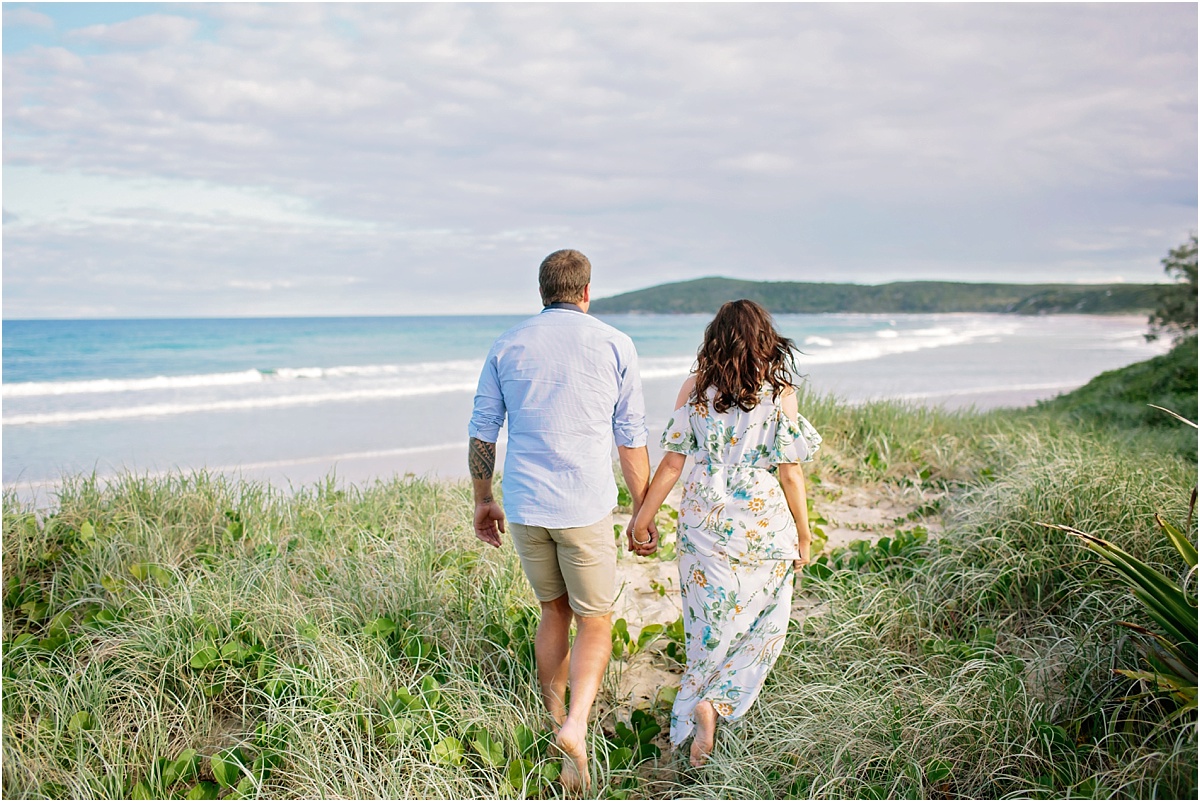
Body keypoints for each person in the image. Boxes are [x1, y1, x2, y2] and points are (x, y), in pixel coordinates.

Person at [468, 249, 657, 792]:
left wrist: (483, 499)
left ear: (542, 291)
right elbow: (631, 435)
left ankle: (555, 724)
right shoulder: (616, 344)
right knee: (595, 619)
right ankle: (576, 727)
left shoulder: (508, 344)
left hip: (527, 508)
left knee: (553, 612)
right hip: (584, 507)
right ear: (586, 291)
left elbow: (484, 430)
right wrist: (642, 509)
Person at [630, 299, 822, 768]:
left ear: (715, 338)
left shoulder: (696, 389)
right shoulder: (780, 392)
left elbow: (674, 463)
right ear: (764, 338)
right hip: (763, 524)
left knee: (707, 628)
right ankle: (716, 704)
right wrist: (804, 531)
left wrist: (642, 518)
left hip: (704, 522)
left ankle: (693, 718)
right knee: (767, 624)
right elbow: (790, 472)